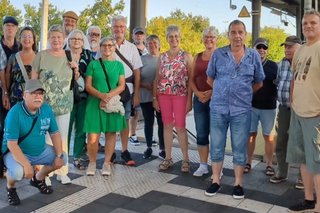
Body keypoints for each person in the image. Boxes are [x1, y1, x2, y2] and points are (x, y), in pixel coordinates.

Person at [204, 20, 265, 199]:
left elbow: (259, 81)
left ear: (245, 35)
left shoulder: (253, 56)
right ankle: (216, 181)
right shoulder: (218, 54)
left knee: (239, 148)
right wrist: (223, 91)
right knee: (216, 146)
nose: (237, 36)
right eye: (233, 32)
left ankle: (238, 183)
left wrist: (243, 95)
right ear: (228, 34)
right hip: (218, 109)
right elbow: (209, 79)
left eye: (240, 32)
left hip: (241, 110)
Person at [2, 79, 66, 206]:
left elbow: (55, 134)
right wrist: (26, 165)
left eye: (40, 93)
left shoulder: (46, 109)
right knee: (18, 172)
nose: (38, 96)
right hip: (17, 153)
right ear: (24, 95)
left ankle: (38, 179)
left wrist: (58, 156)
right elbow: (11, 144)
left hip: (40, 151)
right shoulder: (15, 113)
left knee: (63, 158)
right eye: (33, 93)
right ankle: (11, 188)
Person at [31, 25, 75, 185]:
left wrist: (76, 70)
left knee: (62, 137)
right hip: (45, 105)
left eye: (59, 37)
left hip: (64, 104)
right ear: (49, 38)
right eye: (53, 37)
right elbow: (33, 79)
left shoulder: (69, 55)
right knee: (46, 138)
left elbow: (75, 79)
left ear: (63, 38)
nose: (56, 40)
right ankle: (46, 173)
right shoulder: (41, 56)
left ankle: (62, 171)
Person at [286, 9, 320, 213]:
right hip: (297, 112)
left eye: (313, 23)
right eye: (305, 23)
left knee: (317, 162)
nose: (308, 26)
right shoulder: (300, 50)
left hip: (315, 115)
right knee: (303, 160)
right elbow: (294, 77)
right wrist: (292, 99)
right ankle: (308, 199)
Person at [84, 36, 126, 176]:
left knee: (110, 133)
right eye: (104, 45)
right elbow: (88, 86)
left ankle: (107, 163)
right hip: (94, 102)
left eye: (110, 45)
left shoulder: (119, 65)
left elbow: (121, 86)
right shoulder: (93, 64)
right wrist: (101, 96)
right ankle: (92, 162)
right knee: (92, 136)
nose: (107, 48)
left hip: (111, 103)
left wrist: (108, 97)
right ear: (100, 48)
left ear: (114, 48)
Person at [153, 25, 193, 173]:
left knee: (181, 127)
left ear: (180, 37)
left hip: (180, 96)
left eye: (176, 36)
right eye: (171, 36)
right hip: (164, 95)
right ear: (167, 38)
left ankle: (186, 159)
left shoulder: (186, 56)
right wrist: (154, 98)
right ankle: (168, 158)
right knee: (167, 126)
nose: (174, 39)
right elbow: (157, 78)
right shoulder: (162, 57)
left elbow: (191, 80)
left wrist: (190, 99)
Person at [269, 36, 302, 186]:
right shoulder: (281, 63)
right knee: (281, 140)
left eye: (290, 47)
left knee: (300, 143)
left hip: (301, 110)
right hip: (283, 109)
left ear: (299, 47)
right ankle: (282, 172)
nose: (287, 49)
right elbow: (277, 82)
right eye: (286, 47)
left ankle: (303, 177)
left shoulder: (304, 62)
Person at [111, 15, 142, 166]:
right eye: (116, 26)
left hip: (127, 91)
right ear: (112, 28)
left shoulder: (131, 48)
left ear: (125, 28)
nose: (119, 29)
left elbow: (137, 72)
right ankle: (110, 152)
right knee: (110, 121)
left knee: (124, 121)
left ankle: (124, 150)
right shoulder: (106, 45)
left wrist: (136, 93)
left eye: (121, 26)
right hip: (110, 90)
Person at [245, 38, 278, 176]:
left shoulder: (274, 66)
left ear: (267, 50)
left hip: (268, 107)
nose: (261, 50)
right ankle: (248, 162)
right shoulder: (247, 64)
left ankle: (269, 164)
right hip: (251, 106)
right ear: (253, 49)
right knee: (251, 135)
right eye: (258, 47)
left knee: (268, 137)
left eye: (264, 48)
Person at [189, 26, 218, 177]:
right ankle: (203, 165)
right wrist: (198, 94)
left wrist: (212, 92)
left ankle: (216, 167)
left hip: (216, 100)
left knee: (216, 135)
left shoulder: (222, 55)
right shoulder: (198, 56)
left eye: (212, 36)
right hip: (199, 100)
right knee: (201, 133)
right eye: (206, 36)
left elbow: (225, 79)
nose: (209, 39)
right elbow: (192, 78)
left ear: (217, 39)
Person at [66, 29, 93, 170]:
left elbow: (93, 73)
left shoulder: (88, 55)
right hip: (66, 97)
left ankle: (77, 157)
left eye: (79, 39)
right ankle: (63, 158)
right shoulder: (63, 54)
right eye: (73, 38)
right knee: (66, 128)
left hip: (83, 96)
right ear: (68, 41)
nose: (76, 41)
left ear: (83, 42)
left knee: (81, 128)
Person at [140, 34, 164, 159]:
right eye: (149, 43)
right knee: (148, 122)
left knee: (162, 122)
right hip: (146, 95)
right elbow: (136, 78)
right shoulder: (142, 59)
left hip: (161, 97)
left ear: (159, 45)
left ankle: (162, 148)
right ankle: (148, 147)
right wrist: (146, 85)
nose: (152, 45)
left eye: (155, 43)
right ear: (146, 45)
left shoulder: (164, 58)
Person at [3, 27, 37, 108]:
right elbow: (8, 77)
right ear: (20, 39)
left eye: (29, 36)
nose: (26, 39)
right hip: (15, 98)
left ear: (33, 40)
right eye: (24, 36)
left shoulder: (39, 57)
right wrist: (6, 94)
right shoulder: (13, 57)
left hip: (33, 98)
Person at [0, 16, 19, 146]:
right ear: (3, 28)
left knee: (14, 125)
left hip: (17, 93)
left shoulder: (21, 46)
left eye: (13, 26)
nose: (10, 29)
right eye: (7, 26)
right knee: (2, 125)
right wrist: (4, 93)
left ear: (16, 29)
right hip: (2, 91)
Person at [129, 26, 148, 146]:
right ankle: (132, 134)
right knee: (133, 111)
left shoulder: (148, 49)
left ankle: (148, 136)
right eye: (137, 34)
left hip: (147, 86)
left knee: (146, 111)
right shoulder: (130, 49)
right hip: (134, 83)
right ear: (133, 36)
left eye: (141, 34)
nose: (139, 36)